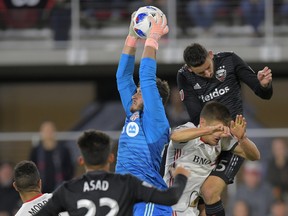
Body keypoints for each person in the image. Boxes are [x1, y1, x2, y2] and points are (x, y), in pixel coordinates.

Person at [175, 42, 273, 214]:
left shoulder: (230, 60)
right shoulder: (184, 76)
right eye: (201, 72)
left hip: (233, 141)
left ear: (210, 55)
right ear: (190, 70)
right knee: (197, 202)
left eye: (208, 67)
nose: (207, 73)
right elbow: (196, 116)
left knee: (209, 191)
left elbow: (262, 92)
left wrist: (264, 85)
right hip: (208, 142)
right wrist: (215, 130)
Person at [35, 129, 190, 215]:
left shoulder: (68, 190)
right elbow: (171, 197)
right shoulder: (127, 183)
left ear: (81, 160)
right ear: (110, 158)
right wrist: (181, 176)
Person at [115, 10, 173, 215]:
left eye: (139, 92)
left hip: (148, 201)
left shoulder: (156, 121)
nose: (134, 95)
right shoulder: (134, 115)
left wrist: (153, 38)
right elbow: (122, 78)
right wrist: (131, 37)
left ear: (153, 100)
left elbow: (147, 78)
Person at [163, 101, 260, 216]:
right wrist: (209, 130)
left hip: (191, 210)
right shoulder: (189, 130)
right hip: (171, 207)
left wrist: (243, 139)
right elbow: (175, 136)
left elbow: (255, 156)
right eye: (217, 128)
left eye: (222, 129)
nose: (219, 134)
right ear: (202, 122)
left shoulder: (220, 141)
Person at [30, 121, 75, 193]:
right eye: (46, 131)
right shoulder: (36, 151)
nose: (48, 133)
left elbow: (70, 169)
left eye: (50, 130)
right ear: (41, 133)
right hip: (40, 191)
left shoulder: (63, 150)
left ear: (55, 132)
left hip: (60, 190)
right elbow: (30, 170)